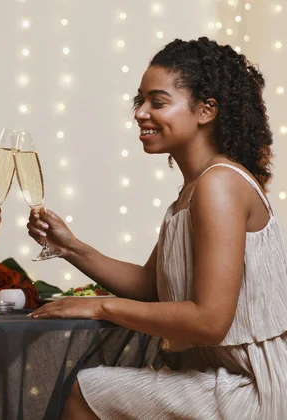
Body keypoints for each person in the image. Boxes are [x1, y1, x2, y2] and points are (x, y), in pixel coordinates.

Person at [27, 37, 287, 419]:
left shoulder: (219, 185)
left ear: (206, 110)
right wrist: (72, 248)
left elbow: (210, 320)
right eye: (140, 101)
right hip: (215, 375)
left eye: (158, 101)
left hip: (251, 388)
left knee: (88, 390)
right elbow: (152, 287)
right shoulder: (194, 190)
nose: (140, 113)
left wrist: (100, 307)